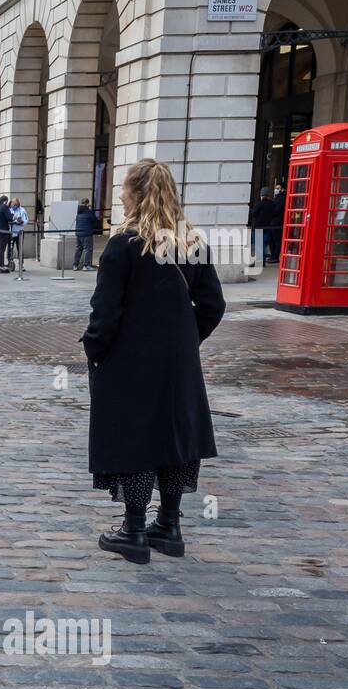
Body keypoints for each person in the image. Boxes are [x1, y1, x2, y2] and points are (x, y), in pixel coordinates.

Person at [82, 158, 226, 564]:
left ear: (136, 193)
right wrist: (183, 340)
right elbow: (213, 305)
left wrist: (95, 351)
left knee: (136, 441)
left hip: (130, 362)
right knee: (174, 437)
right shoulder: (191, 242)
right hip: (179, 363)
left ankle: (133, 530)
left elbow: (104, 314)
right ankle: (169, 525)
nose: (121, 196)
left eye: (124, 189)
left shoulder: (124, 245)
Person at [249, 187, 277, 267]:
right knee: (264, 245)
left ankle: (258, 262)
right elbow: (275, 214)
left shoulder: (259, 204)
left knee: (258, 246)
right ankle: (263, 261)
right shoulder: (273, 204)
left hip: (258, 227)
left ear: (262, 195)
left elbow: (254, 213)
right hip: (268, 228)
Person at [74, 197, 96, 270]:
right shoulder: (88, 211)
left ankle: (75, 265)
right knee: (88, 249)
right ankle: (86, 265)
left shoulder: (77, 211)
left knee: (78, 249)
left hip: (78, 232)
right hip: (87, 232)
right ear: (87, 203)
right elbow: (95, 220)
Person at [8, 197, 28, 270]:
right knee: (10, 248)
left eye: (16, 204)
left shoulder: (22, 210)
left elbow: (26, 220)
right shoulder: (9, 210)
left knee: (20, 248)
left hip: (19, 232)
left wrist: (21, 221)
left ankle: (21, 264)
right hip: (11, 232)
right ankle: (10, 262)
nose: (14, 205)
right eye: (13, 204)